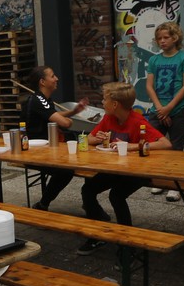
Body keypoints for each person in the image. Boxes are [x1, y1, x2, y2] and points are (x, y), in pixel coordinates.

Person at [77, 81, 170, 255]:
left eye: (104, 99)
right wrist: (99, 138)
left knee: (116, 195)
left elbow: (165, 143)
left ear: (114, 104)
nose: (102, 102)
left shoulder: (137, 121)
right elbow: (89, 138)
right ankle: (97, 233)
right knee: (88, 189)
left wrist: (132, 146)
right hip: (116, 169)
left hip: (138, 171)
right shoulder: (109, 118)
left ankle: (127, 245)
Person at [20, 66, 88, 211]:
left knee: (86, 152)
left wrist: (73, 112)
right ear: (42, 82)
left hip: (47, 148)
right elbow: (64, 123)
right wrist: (69, 121)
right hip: (35, 152)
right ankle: (43, 204)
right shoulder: (39, 100)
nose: (56, 78)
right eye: (52, 76)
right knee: (66, 171)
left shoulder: (43, 99)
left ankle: (89, 200)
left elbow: (52, 114)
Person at [145, 22, 184, 202]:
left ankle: (175, 184)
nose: (162, 41)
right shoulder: (154, 60)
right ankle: (160, 180)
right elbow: (149, 86)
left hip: (178, 110)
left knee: (176, 147)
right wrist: (160, 108)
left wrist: (169, 108)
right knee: (155, 146)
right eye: (159, 38)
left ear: (175, 37)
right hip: (158, 110)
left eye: (166, 37)